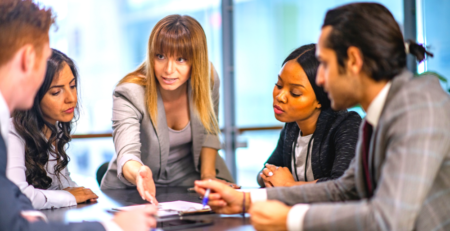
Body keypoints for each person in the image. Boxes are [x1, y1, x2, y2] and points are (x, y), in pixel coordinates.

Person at [195, 2, 450, 231]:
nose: (319, 79)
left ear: (353, 61)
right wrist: (246, 200)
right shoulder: (382, 111)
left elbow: (387, 219)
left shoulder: (418, 107)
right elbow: (344, 189)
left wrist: (290, 220)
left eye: (325, 65)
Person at [0, 1, 156, 230]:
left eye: (72, 86)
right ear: (27, 59)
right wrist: (114, 227)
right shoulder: (8, 130)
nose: (70, 98)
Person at [101, 14, 236, 204]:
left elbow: (210, 131)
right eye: (160, 56)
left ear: (196, 61)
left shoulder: (208, 79)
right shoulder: (129, 92)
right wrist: (139, 173)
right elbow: (127, 153)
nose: (168, 70)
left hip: (192, 182)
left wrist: (208, 177)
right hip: (136, 189)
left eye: (181, 59)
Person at [257, 44, 361, 188]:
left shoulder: (346, 125)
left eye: (295, 93)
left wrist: (289, 185)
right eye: (279, 85)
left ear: (320, 98)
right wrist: (269, 177)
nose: (280, 96)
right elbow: (265, 170)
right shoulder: (292, 126)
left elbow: (344, 185)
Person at [6, 49, 98, 210]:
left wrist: (79, 194)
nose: (71, 98)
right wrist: (68, 196)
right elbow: (18, 196)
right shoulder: (12, 133)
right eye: (56, 92)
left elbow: (66, 187)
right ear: (33, 95)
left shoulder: (53, 129)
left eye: (72, 86)